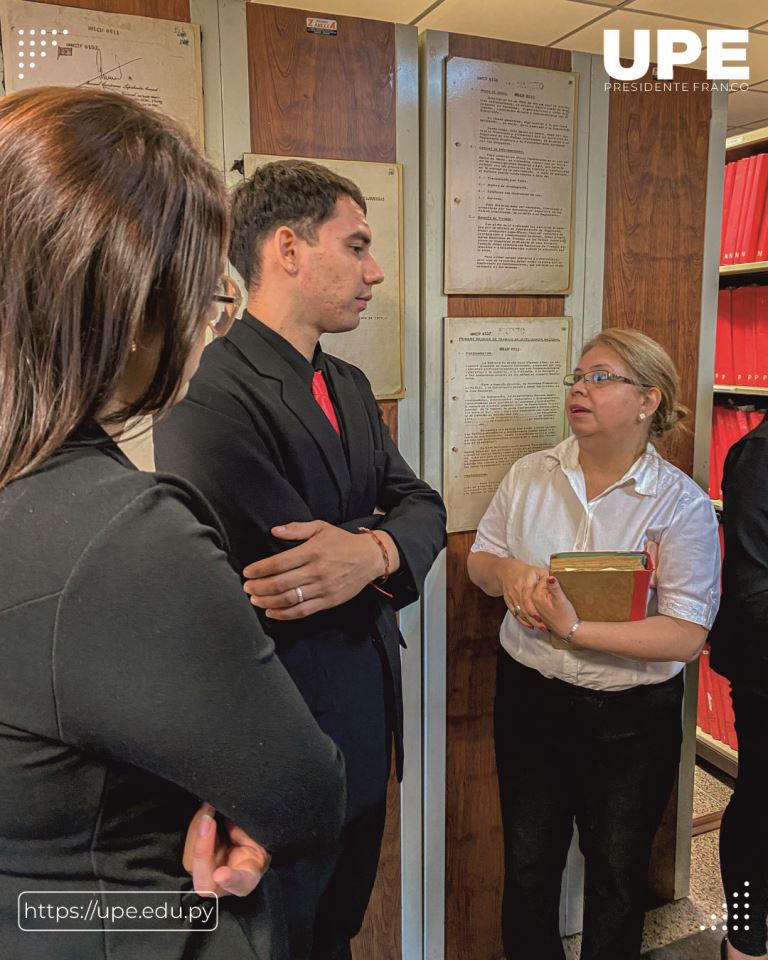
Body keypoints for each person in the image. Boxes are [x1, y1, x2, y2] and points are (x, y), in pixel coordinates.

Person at [0, 87, 346, 960]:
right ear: (126, 304)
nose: (208, 319)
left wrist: (378, 544)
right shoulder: (120, 535)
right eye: (201, 291)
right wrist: (231, 808)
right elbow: (302, 793)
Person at [153, 159, 447, 960]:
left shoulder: (349, 385)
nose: (375, 271)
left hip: (361, 723)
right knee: (281, 939)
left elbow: (424, 504)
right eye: (355, 246)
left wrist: (373, 546)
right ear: (287, 248)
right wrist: (368, 539)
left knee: (336, 931)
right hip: (273, 740)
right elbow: (284, 556)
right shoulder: (209, 388)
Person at [467, 329, 721, 960]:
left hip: (631, 721)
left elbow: (686, 634)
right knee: (529, 866)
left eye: (601, 377)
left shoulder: (680, 503)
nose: (579, 388)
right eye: (576, 378)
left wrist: (573, 627)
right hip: (531, 700)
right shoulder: (532, 474)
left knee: (614, 872)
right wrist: (509, 576)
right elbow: (480, 558)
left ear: (647, 401)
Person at [709, 421, 768, 960]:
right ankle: (746, 936)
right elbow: (753, 587)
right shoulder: (757, 455)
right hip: (762, 669)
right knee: (759, 801)